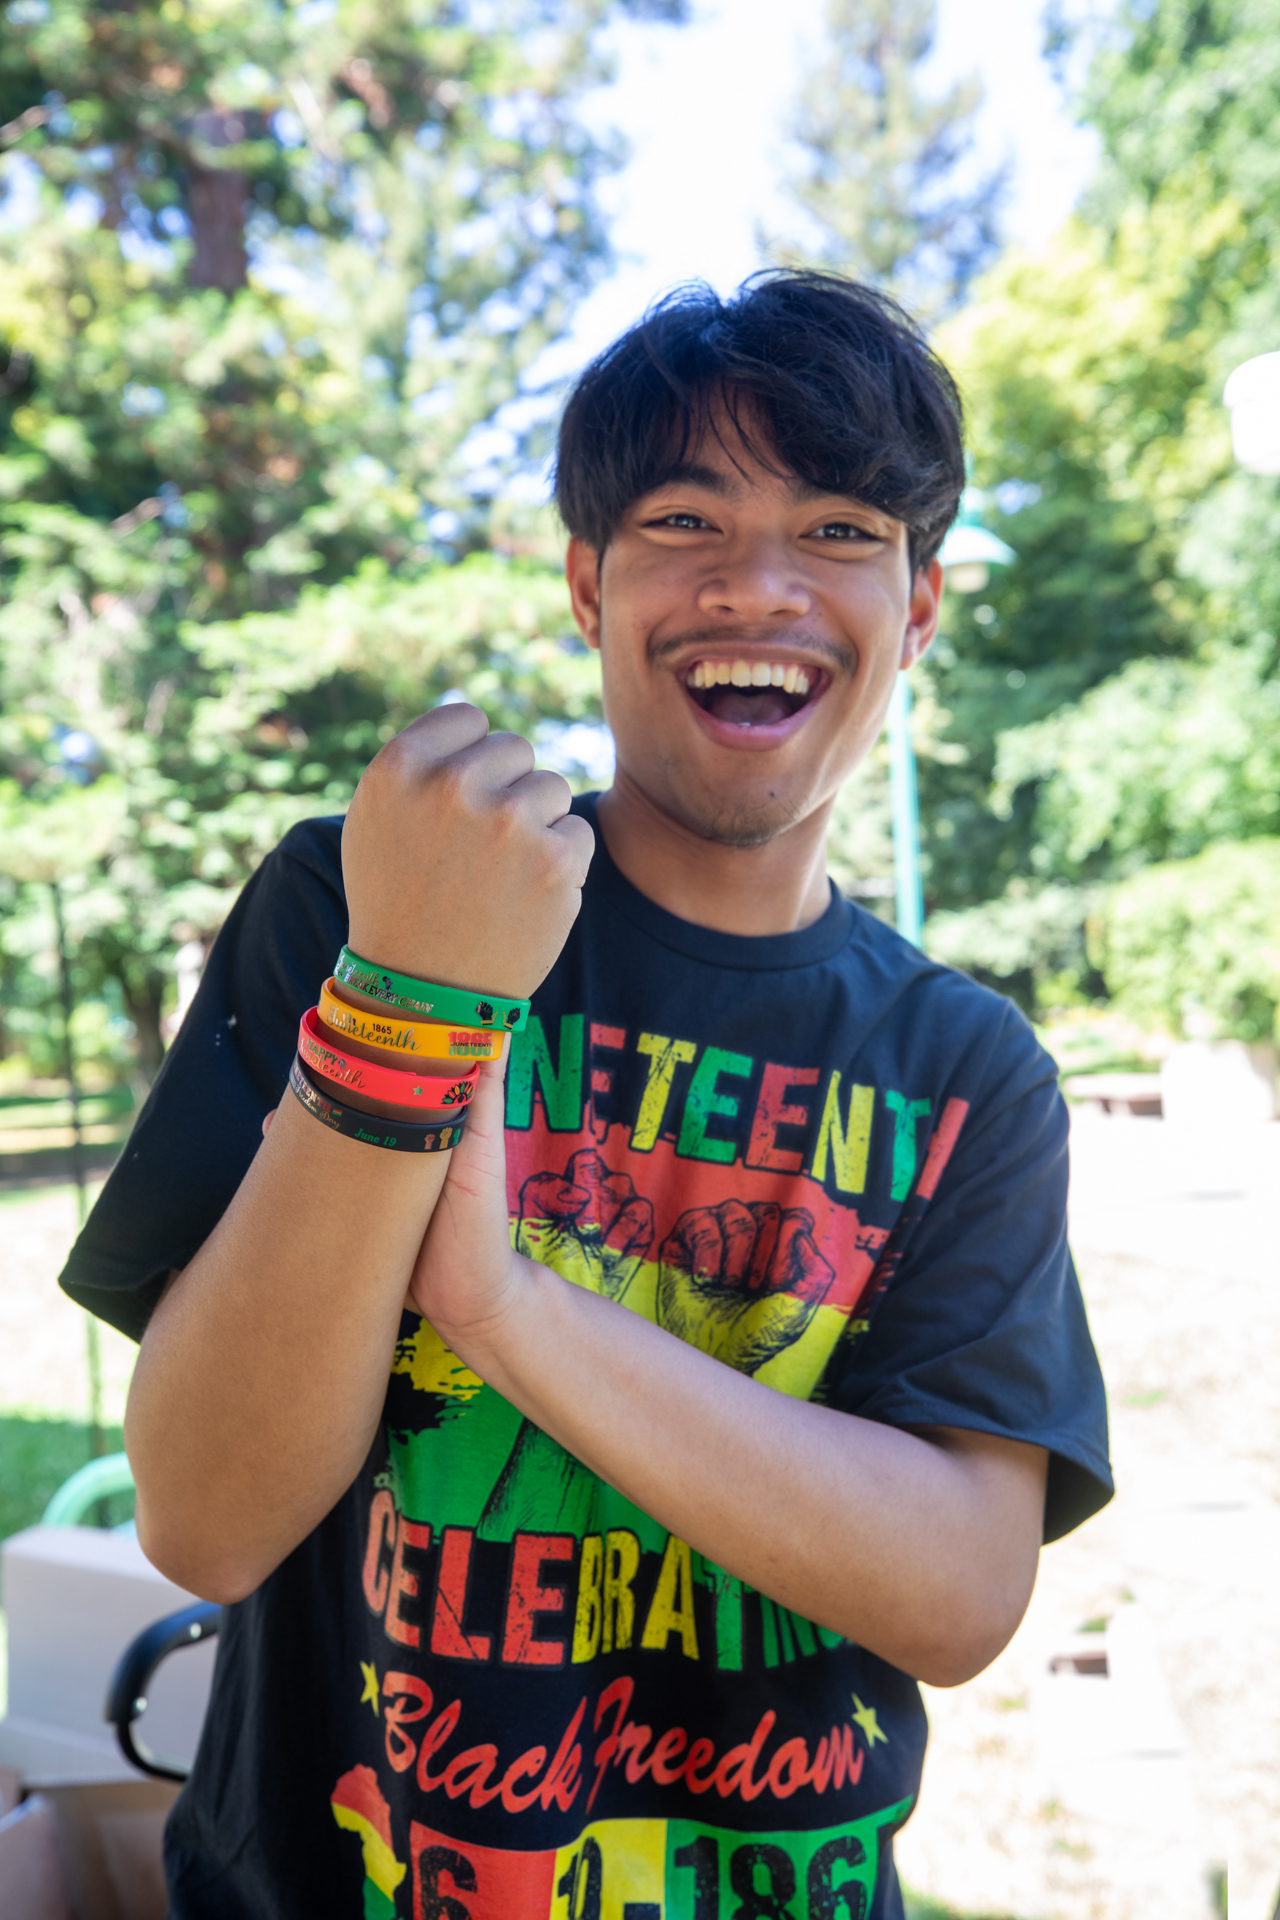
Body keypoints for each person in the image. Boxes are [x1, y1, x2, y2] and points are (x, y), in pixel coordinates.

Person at [61, 270, 1112, 1920]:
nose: (756, 585)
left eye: (839, 528)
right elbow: (207, 1519)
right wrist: (408, 998)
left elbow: (960, 1591)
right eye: (686, 516)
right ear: (586, 581)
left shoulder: (967, 1066)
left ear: (915, 614)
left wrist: (500, 1304)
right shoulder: (368, 904)